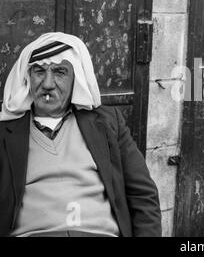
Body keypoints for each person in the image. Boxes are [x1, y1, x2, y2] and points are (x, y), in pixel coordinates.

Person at [0, 32, 161, 237]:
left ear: (76, 79)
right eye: (39, 71)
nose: (48, 83)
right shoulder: (5, 132)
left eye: (59, 72)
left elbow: (143, 195)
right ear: (27, 77)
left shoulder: (108, 123)